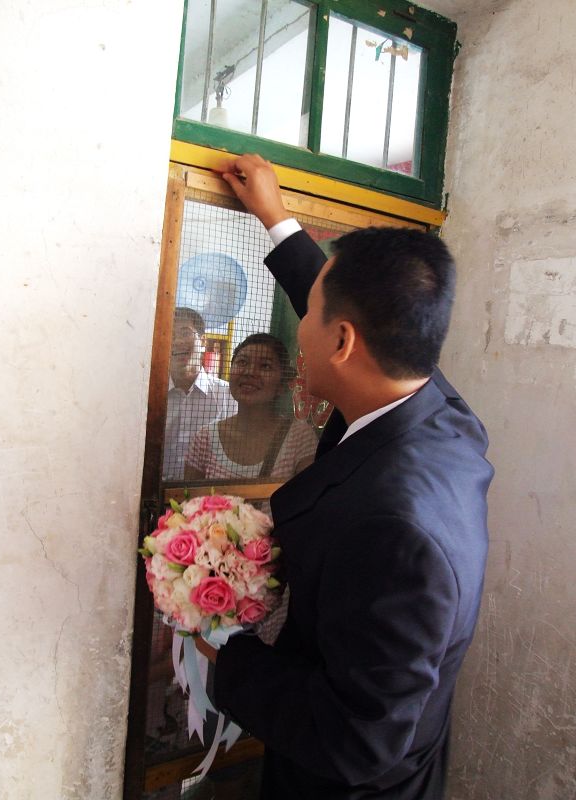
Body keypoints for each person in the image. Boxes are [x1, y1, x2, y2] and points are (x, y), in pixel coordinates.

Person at [194, 154, 494, 800]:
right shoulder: (444, 417)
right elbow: (354, 306)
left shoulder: (395, 527)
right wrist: (277, 220)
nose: (300, 327)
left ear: (343, 343)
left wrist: (228, 652)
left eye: (310, 314)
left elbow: (356, 739)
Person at [184, 333, 317, 483]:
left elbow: (309, 496)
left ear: (282, 384)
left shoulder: (300, 438)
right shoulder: (204, 439)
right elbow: (187, 497)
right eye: (242, 362)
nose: (250, 372)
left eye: (265, 366)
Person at [162, 307, 237, 481]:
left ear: (203, 341)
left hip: (208, 494)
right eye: (170, 334)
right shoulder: (149, 395)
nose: (177, 341)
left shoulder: (228, 396)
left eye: (185, 333)